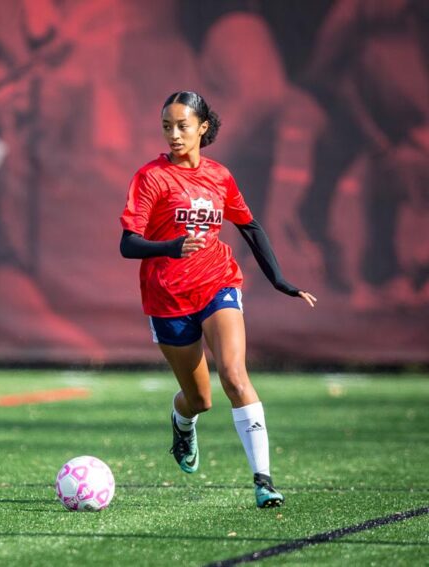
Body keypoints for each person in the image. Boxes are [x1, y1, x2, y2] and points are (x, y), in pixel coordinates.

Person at [119, 91, 316, 508]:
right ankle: (182, 421)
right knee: (200, 400)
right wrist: (169, 247)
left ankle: (263, 480)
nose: (174, 135)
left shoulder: (220, 176)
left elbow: (249, 225)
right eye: (167, 127)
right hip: (167, 298)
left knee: (234, 374)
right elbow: (128, 244)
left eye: (183, 126)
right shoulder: (151, 177)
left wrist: (279, 280)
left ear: (202, 128)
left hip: (217, 283)